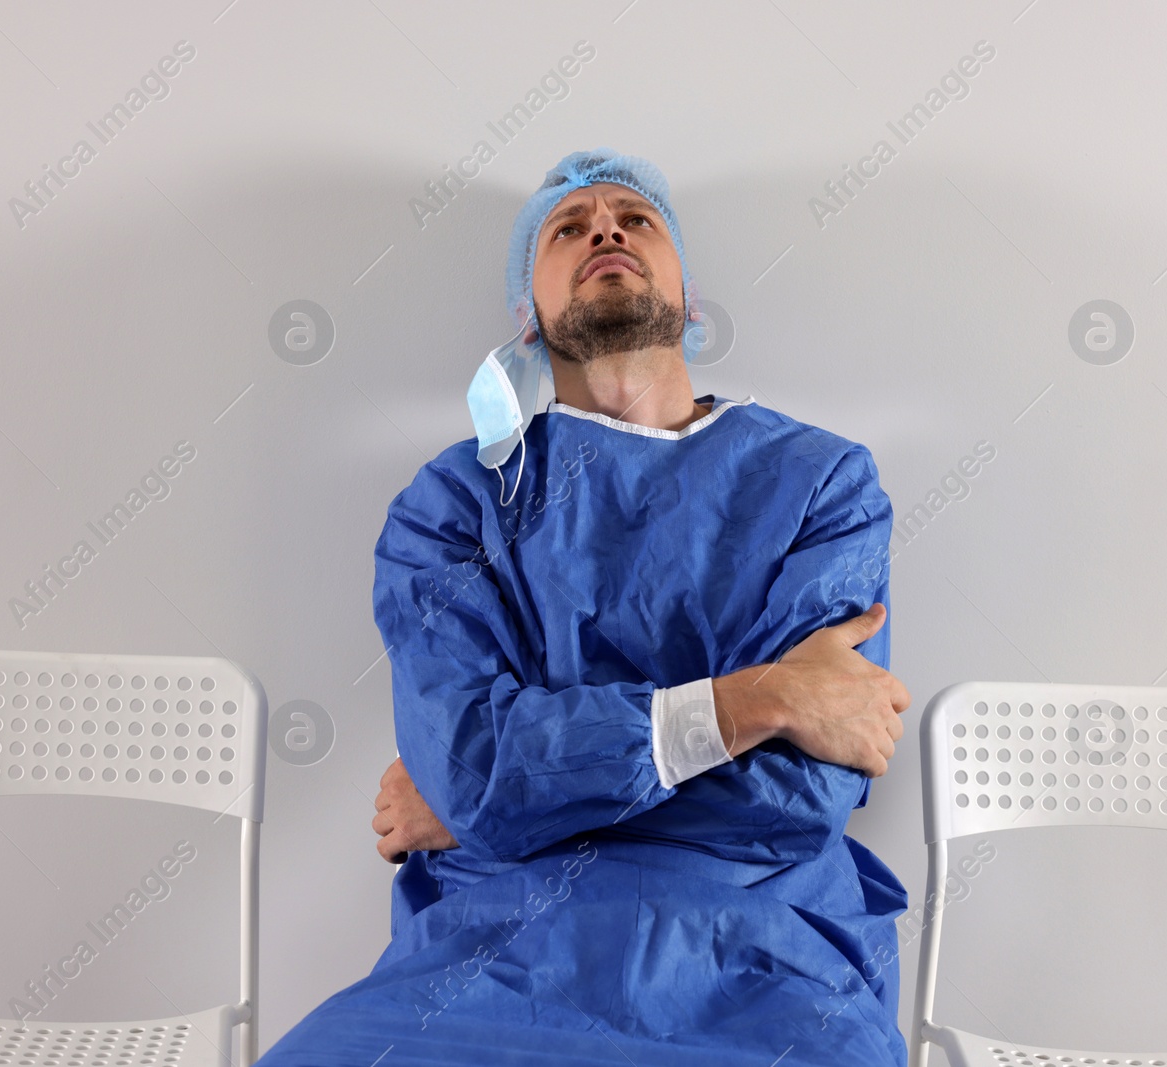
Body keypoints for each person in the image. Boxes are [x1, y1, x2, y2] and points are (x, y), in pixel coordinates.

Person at [255, 149, 912, 1066]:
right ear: (527, 314)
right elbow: (475, 765)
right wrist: (764, 700)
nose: (606, 227)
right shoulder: (455, 507)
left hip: (761, 956)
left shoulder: (820, 485)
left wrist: (499, 799)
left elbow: (799, 797)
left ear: (687, 289)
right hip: (488, 963)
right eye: (570, 227)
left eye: (636, 219)